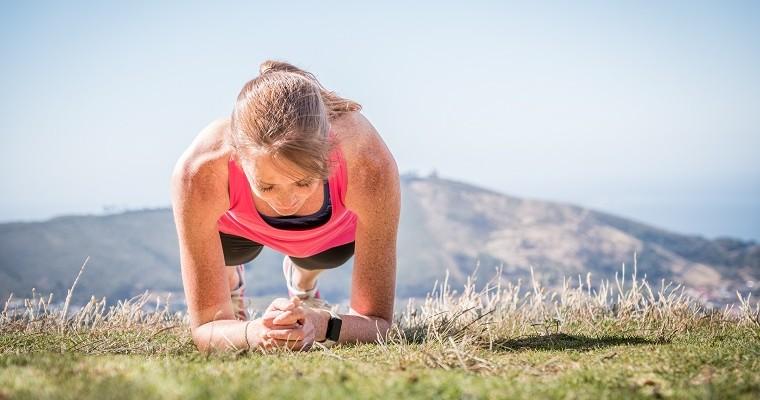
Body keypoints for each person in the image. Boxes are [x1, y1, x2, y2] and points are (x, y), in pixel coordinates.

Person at [170, 60, 400, 353]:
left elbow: (377, 321)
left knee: (321, 257)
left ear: (329, 154)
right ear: (238, 158)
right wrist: (255, 332)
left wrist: (318, 323)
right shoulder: (199, 171)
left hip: (327, 237)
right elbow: (205, 330)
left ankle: (302, 282)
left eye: (303, 182)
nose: (286, 202)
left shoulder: (368, 162)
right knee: (228, 254)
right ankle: (231, 282)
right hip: (235, 233)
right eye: (266, 186)